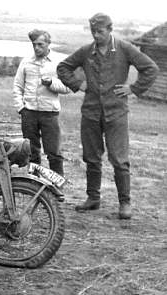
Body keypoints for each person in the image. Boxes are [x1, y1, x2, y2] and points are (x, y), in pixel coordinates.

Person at [57, 13, 158, 219]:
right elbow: (63, 67)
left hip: (116, 113)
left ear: (110, 29)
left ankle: (125, 203)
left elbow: (150, 68)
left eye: (100, 31)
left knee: (120, 159)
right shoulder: (86, 51)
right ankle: (93, 198)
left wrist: (134, 89)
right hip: (91, 113)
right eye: (93, 31)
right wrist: (78, 84)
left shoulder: (124, 48)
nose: (96, 35)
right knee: (91, 157)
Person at [13, 29, 71, 177]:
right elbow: (17, 86)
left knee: (54, 152)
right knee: (31, 152)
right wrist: (21, 108)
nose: (37, 48)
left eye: (40, 44)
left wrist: (51, 83)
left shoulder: (59, 63)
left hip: (50, 113)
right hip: (29, 114)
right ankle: (34, 182)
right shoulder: (26, 62)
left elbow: (67, 87)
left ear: (48, 44)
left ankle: (57, 186)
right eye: (34, 44)